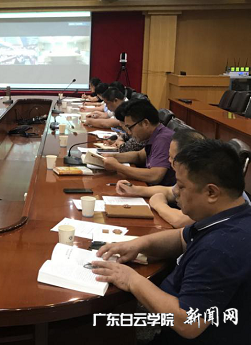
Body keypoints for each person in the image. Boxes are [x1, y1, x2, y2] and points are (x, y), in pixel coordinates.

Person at [93, 140, 251, 344]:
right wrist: (138, 244)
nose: (175, 192)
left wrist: (132, 280)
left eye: (182, 186)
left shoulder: (221, 247)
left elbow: (188, 323)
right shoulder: (231, 214)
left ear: (211, 192)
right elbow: (180, 237)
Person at [114, 129, 206, 228]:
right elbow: (170, 191)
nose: (169, 160)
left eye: (172, 157)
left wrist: (159, 204)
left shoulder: (204, 180)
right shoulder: (190, 175)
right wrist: (135, 189)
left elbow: (181, 221)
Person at [102, 100, 176, 186]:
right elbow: (139, 156)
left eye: (130, 127)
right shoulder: (155, 134)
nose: (129, 132)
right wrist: (113, 156)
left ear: (145, 123)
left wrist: (117, 166)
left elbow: (155, 176)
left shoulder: (163, 139)